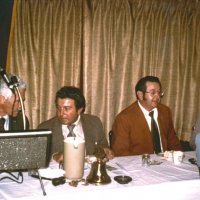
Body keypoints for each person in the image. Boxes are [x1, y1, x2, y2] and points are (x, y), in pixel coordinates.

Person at [38, 86, 114, 162]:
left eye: (66, 108)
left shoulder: (94, 123)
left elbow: (103, 147)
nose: (61, 113)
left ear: (79, 110)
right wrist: (54, 157)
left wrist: (105, 151)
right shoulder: (44, 128)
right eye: (59, 108)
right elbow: (38, 159)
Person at [111, 75, 182, 156]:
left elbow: (173, 141)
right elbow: (120, 152)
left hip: (165, 162)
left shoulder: (165, 111)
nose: (157, 96)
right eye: (153, 93)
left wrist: (178, 157)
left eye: (159, 92)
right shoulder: (124, 118)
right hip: (140, 165)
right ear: (140, 95)